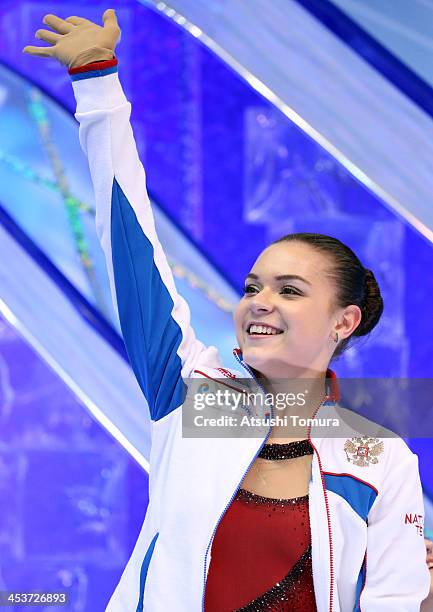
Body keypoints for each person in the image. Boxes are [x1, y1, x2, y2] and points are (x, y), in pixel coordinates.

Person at [23, 10, 431, 611]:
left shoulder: (381, 459)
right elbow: (133, 251)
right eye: (252, 287)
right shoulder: (189, 394)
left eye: (290, 290)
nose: (260, 302)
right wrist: (99, 86)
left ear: (343, 321)